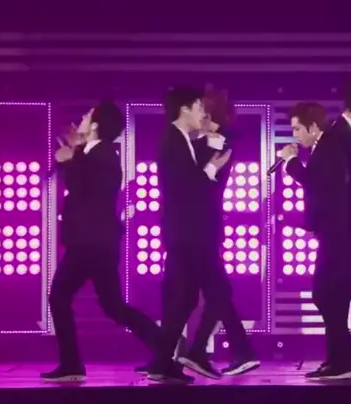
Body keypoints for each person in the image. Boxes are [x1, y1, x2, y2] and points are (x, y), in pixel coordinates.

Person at [42, 101, 162, 382]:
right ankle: (164, 345)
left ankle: (72, 365)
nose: (82, 118)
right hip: (93, 242)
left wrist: (70, 159)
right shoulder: (91, 153)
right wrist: (71, 156)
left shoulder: (104, 154)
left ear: (95, 125)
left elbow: (87, 190)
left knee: (60, 297)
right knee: (112, 306)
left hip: (92, 243)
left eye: (87, 115)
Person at [278, 101, 351, 380]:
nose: (295, 135)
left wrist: (291, 164)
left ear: (313, 127)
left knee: (326, 294)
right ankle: (341, 358)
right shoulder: (324, 147)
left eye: (297, 129)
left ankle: (346, 359)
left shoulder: (328, 147)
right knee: (332, 297)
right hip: (335, 234)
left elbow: (321, 186)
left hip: (338, 236)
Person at [147, 86, 246, 384]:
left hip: (188, 232)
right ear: (186, 109)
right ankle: (193, 355)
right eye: (199, 108)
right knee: (211, 292)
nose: (202, 114)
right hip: (187, 233)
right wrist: (211, 169)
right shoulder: (173, 139)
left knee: (186, 299)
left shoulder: (180, 140)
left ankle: (164, 362)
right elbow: (185, 188)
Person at [174, 88, 259, 379]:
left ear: (211, 117)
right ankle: (223, 350)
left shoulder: (215, 143)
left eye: (203, 112)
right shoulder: (214, 141)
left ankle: (206, 350)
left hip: (202, 227)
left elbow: (196, 182)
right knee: (216, 290)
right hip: (203, 227)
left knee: (216, 290)